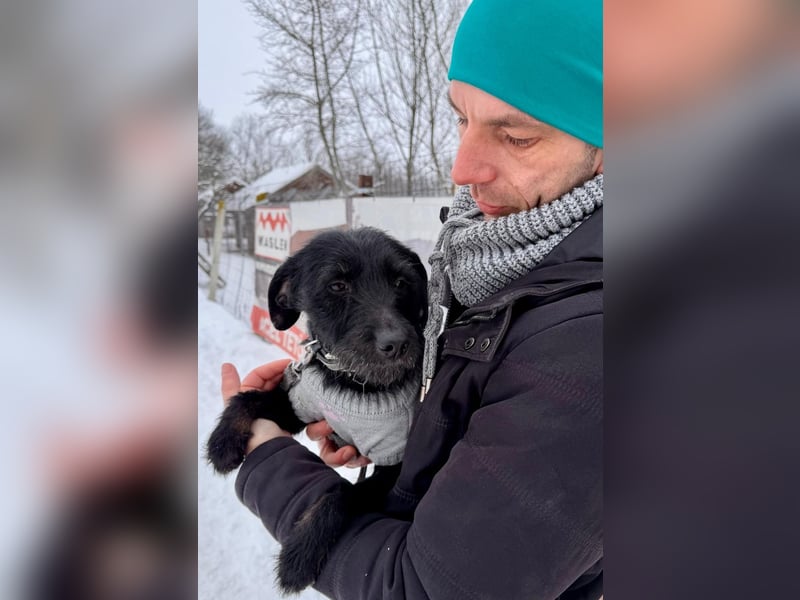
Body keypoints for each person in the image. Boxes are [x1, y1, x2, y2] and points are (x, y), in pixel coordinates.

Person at [220, 1, 603, 598]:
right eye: (461, 119)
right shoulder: (495, 258)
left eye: (518, 136)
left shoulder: (595, 344)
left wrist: (268, 456)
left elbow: (424, 589)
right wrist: (394, 439)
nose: (462, 167)